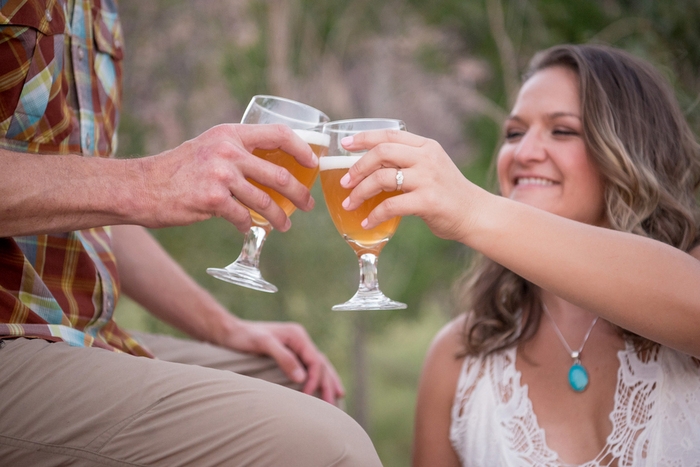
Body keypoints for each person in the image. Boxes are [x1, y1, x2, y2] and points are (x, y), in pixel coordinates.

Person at [0, 1, 382, 466]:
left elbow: (85, 210)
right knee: (333, 450)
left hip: (75, 325)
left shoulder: (100, 11)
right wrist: (146, 183)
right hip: (12, 335)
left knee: (303, 380)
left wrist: (228, 329)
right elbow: (121, 194)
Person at [339, 43, 700, 466]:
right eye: (513, 133)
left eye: (562, 130)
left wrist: (471, 210)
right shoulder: (459, 357)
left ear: (632, 151)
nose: (523, 152)